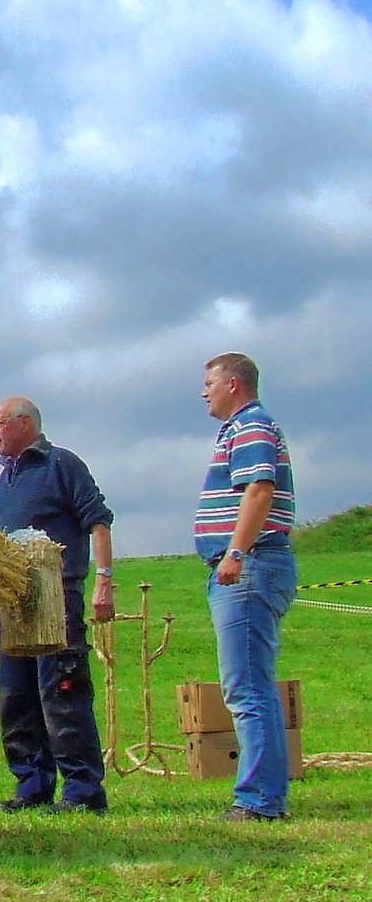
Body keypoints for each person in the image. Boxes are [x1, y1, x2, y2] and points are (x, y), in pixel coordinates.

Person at [0, 396, 114, 814]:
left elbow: (98, 521)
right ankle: (32, 784)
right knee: (16, 696)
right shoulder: (3, 482)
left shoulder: (62, 465)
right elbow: (4, 546)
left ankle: (82, 791)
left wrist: (104, 581)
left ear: (25, 423)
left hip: (58, 599)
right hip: (15, 603)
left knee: (62, 691)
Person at [196, 352, 296, 821]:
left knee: (248, 688)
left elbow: (259, 489)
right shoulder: (242, 427)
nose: (204, 392)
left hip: (250, 564)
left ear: (233, 384)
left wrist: (235, 553)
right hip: (251, 564)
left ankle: (259, 800)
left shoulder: (250, 425)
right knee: (252, 686)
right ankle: (264, 795)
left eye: (210, 383)